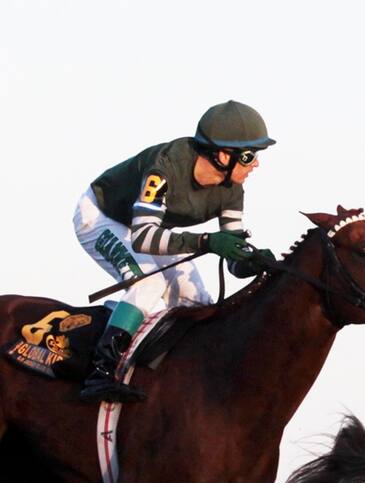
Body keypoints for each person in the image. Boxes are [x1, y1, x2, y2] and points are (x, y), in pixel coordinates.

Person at [74, 100, 277, 403]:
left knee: (197, 300)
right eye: (250, 156)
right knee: (149, 283)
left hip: (150, 227)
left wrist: (250, 259)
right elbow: (143, 238)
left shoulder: (232, 188)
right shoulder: (164, 169)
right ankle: (100, 372)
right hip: (102, 217)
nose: (256, 164)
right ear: (223, 155)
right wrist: (206, 242)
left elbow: (230, 251)